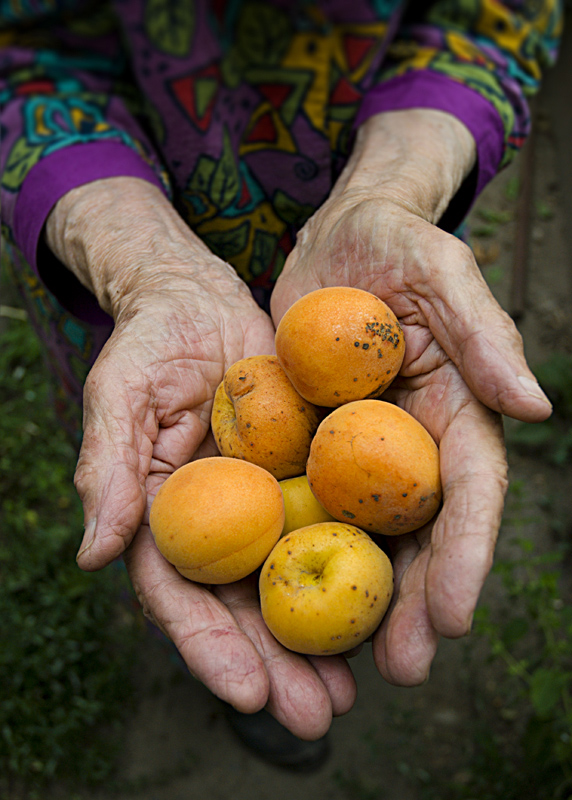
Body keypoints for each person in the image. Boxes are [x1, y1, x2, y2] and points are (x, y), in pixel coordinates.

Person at [0, 0, 560, 757]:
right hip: (140, 289)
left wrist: (388, 193)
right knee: (152, 468)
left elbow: (494, 17)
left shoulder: (365, 355)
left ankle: (249, 682)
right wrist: (146, 270)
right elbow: (22, 53)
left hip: (371, 247)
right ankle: (228, 681)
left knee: (178, 507)